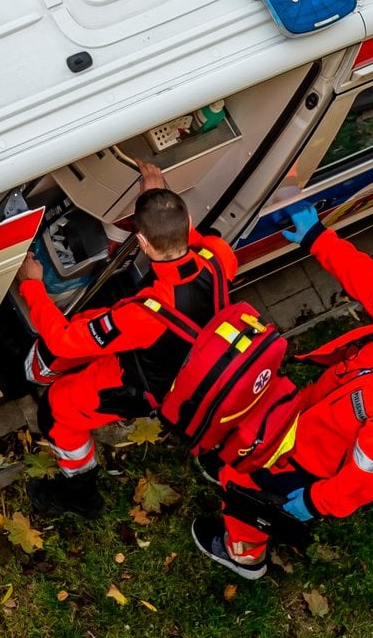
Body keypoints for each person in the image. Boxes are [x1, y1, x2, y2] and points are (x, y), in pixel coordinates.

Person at [192, 203, 373, 579]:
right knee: (255, 439)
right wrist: (318, 238)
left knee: (249, 495)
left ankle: (244, 554)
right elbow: (367, 278)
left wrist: (313, 501)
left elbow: (363, 480)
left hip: (314, 462)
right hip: (314, 413)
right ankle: (235, 464)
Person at [17, 160, 238, 517]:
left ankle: (80, 492)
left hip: (139, 382)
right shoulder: (219, 258)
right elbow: (190, 237)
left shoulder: (145, 315)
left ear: (141, 242)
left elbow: (61, 341)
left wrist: (32, 286)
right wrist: (155, 197)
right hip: (173, 358)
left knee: (57, 411)